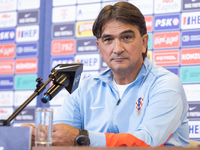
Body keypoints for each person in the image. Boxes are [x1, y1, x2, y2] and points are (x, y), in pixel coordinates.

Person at [22, 1, 189, 147]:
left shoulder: (165, 85)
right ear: (99, 47)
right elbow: (60, 138)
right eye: (108, 40)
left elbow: (147, 141)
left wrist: (83, 138)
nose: (117, 49)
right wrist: (40, 135)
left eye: (127, 37)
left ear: (144, 42)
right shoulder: (85, 89)